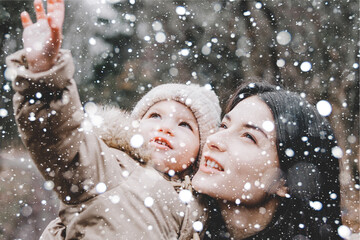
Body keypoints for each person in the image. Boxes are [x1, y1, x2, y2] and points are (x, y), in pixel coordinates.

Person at [6, 0, 221, 239]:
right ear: (135, 124)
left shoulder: (204, 208)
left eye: (184, 125)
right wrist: (45, 74)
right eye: (155, 115)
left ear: (201, 150)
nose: (165, 127)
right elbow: (60, 135)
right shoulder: (109, 167)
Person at [192, 82, 343, 239]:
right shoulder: (177, 224)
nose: (214, 140)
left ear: (286, 182)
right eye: (223, 126)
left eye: (249, 136)